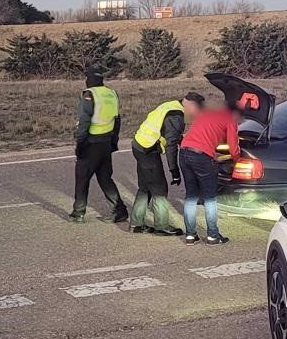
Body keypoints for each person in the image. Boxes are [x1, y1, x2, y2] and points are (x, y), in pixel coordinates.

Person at [129, 92, 204, 236]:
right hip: (148, 151)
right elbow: (171, 146)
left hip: (139, 144)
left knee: (145, 187)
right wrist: (174, 171)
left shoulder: (171, 105)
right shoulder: (176, 116)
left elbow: (167, 132)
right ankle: (161, 226)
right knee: (160, 190)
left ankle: (136, 223)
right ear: (192, 105)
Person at [178, 99, 243, 244]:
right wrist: (237, 160)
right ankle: (213, 235)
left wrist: (211, 153)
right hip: (201, 157)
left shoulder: (207, 113)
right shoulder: (230, 119)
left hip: (184, 152)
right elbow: (233, 147)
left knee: (191, 196)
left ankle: (190, 235)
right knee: (210, 198)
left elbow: (201, 135)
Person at [69, 68, 127, 223]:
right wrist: (114, 141)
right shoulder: (111, 93)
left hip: (91, 143)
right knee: (105, 178)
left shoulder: (89, 94)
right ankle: (119, 211)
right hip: (106, 142)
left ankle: (78, 212)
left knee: (82, 178)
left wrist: (79, 142)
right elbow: (117, 119)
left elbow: (84, 121)